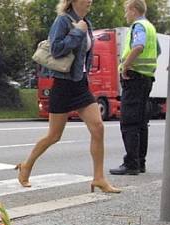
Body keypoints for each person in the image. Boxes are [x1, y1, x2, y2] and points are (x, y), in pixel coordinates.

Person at [16, 0, 120, 193]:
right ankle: (26, 165)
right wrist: (77, 32)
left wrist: (82, 29)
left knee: (98, 128)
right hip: (63, 84)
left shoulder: (86, 22)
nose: (89, 1)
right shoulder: (63, 21)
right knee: (54, 135)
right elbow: (56, 50)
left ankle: (99, 178)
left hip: (80, 84)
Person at [109, 0, 158, 175]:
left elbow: (138, 46)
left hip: (134, 78)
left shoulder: (138, 26)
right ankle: (140, 162)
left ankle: (131, 164)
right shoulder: (150, 27)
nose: (125, 15)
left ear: (133, 9)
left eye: (126, 11)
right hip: (147, 79)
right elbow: (157, 51)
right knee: (141, 123)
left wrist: (125, 67)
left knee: (129, 122)